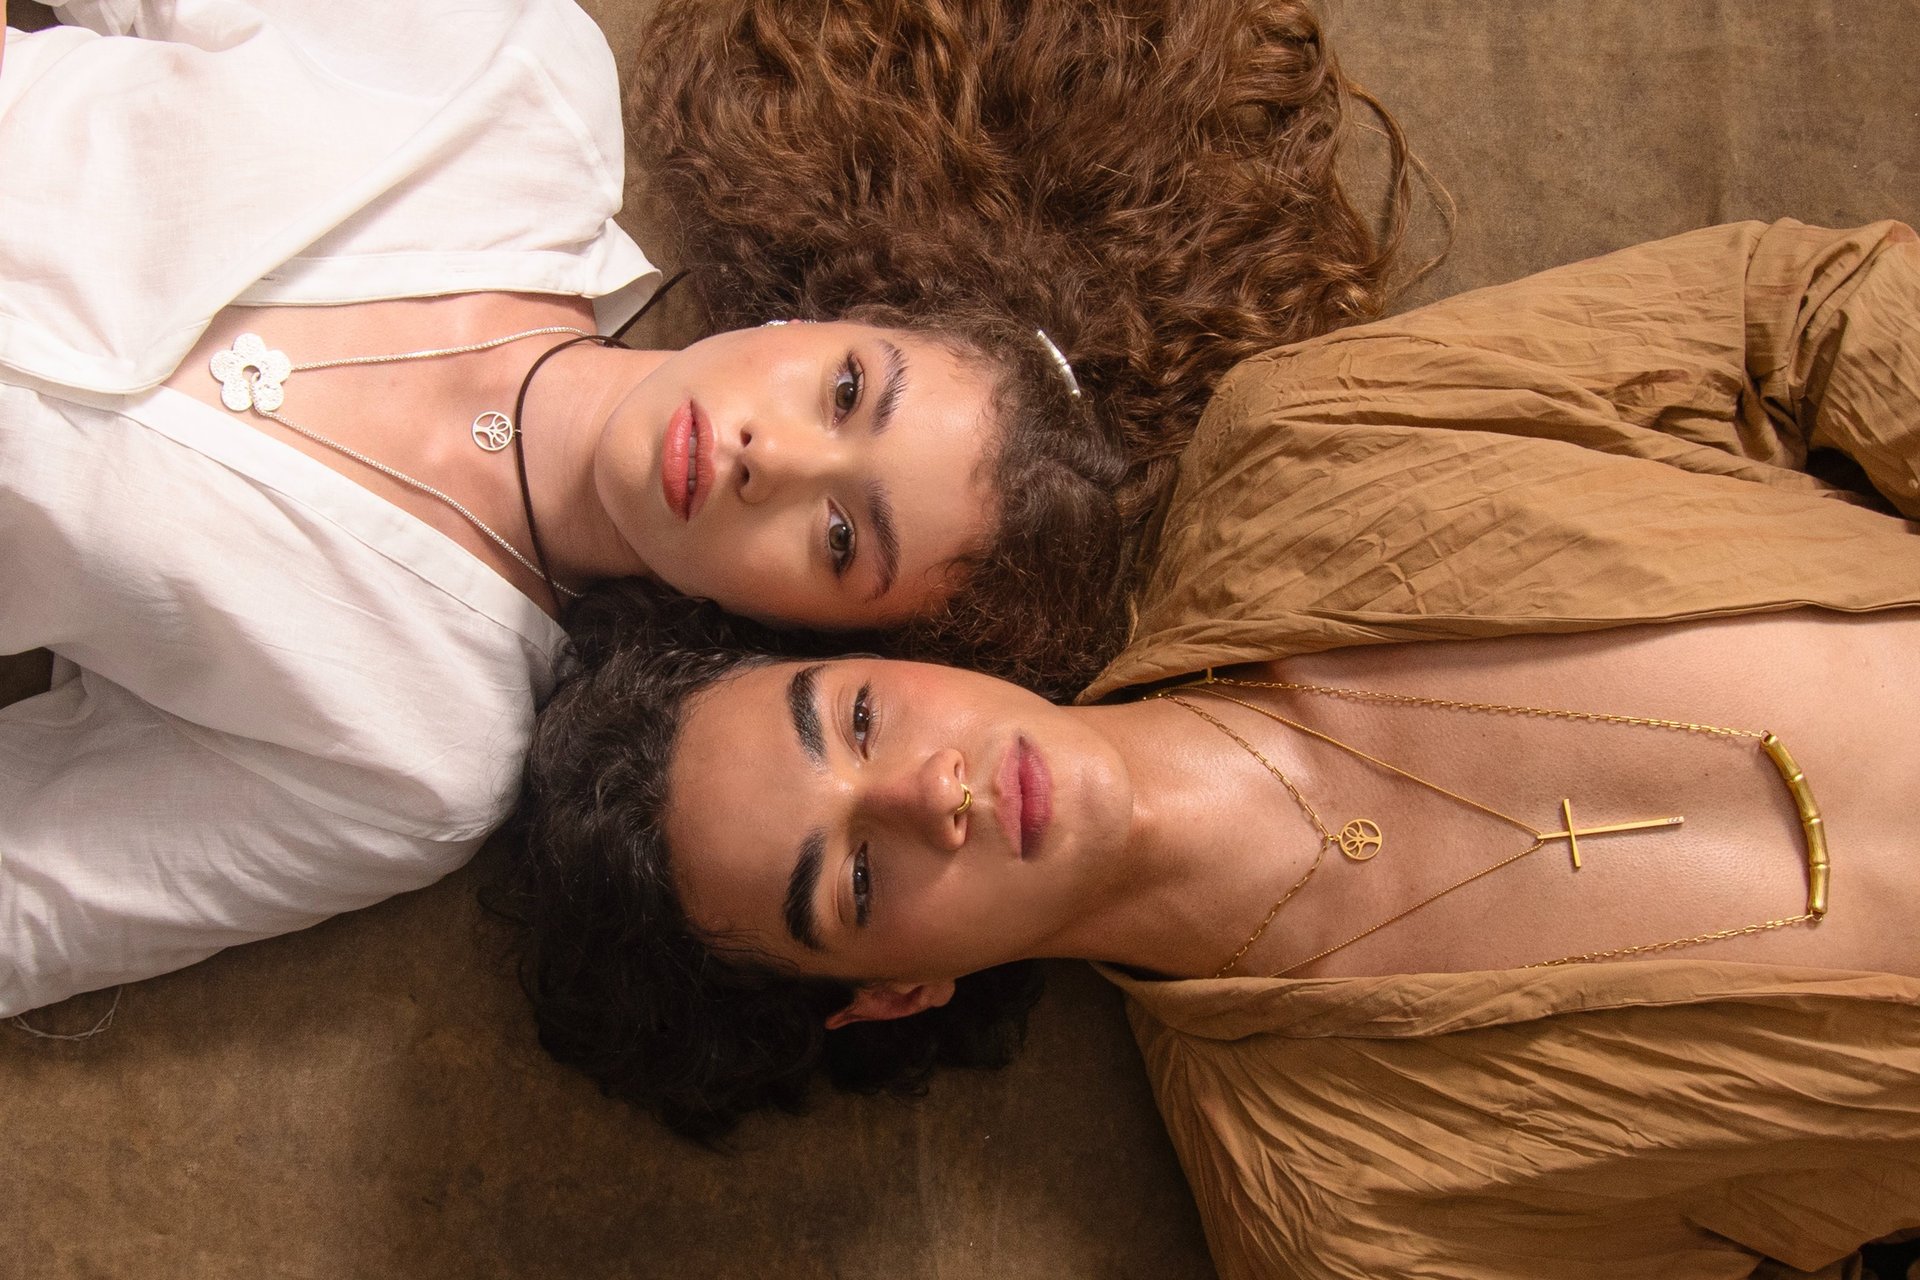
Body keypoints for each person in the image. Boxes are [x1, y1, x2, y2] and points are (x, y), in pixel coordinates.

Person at [510, 220, 1920, 1276]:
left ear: (894, 648)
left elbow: (1798, 316)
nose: (926, 792)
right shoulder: (1340, 1213)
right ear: (896, 993)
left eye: (859, 718)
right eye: (856, 884)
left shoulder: (1316, 443)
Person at [0, 0, 1404, 1015]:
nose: (772, 459)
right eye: (848, 391)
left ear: (785, 634)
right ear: (828, 314)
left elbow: (34, 898)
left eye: (845, 540)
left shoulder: (412, 750)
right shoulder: (511, 84)